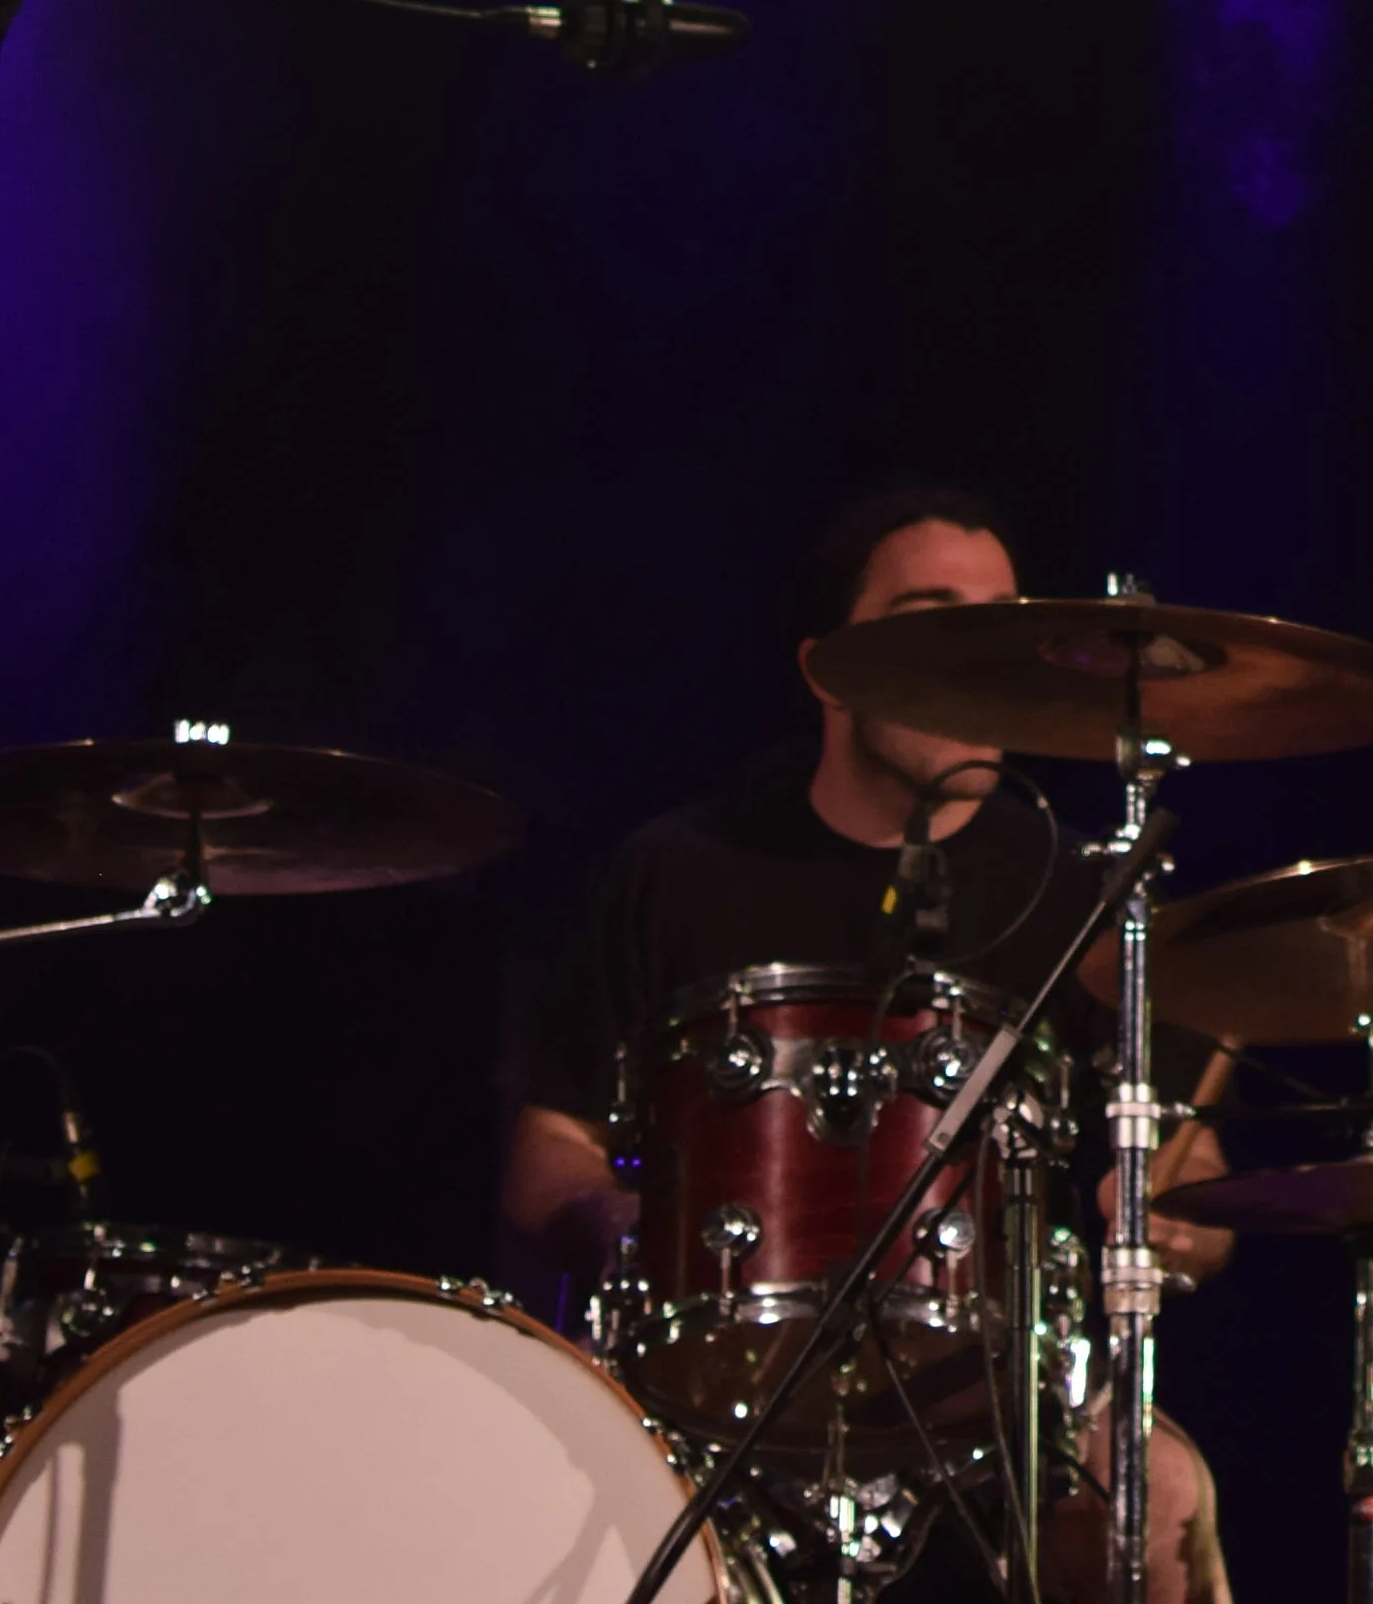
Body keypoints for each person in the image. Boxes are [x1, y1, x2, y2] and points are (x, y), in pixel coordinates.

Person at [508, 483, 1231, 1599]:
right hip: (709, 1390)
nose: (974, 655)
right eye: (930, 616)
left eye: (996, 624)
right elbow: (550, 1146)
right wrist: (624, 1229)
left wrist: (1182, 1219)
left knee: (1160, 1491)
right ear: (826, 668)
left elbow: (1191, 1168)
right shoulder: (680, 870)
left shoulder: (1089, 894)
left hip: (996, 1401)